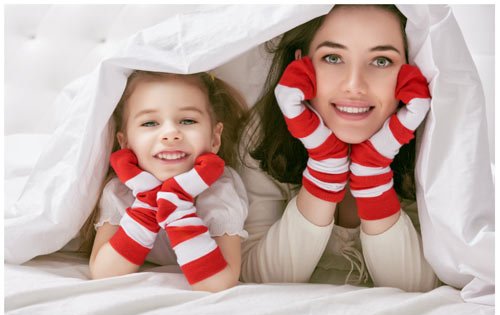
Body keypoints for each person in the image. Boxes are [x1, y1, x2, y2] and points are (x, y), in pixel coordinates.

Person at [239, 5, 439, 291]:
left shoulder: (432, 139)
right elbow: (259, 278)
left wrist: (373, 172)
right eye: (333, 58)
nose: (354, 85)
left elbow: (415, 286)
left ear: (411, 71)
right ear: (300, 63)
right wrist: (325, 166)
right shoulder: (263, 132)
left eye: (382, 61)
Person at [87, 70, 248, 290]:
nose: (171, 133)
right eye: (150, 123)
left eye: (188, 120)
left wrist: (178, 205)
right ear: (125, 142)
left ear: (214, 138)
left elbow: (217, 283)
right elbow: (104, 273)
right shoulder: (121, 190)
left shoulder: (219, 191)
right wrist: (147, 204)